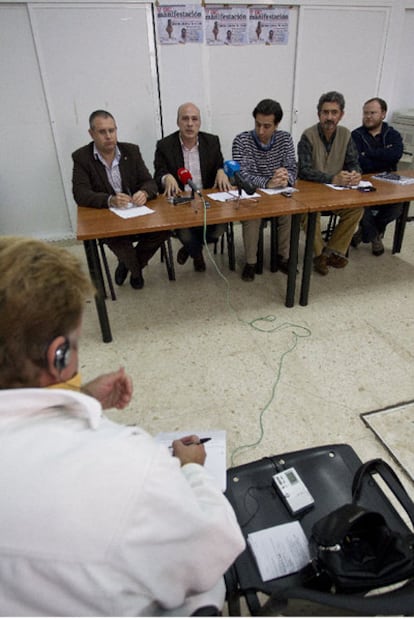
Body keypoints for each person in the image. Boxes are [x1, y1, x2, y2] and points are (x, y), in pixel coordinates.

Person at [0, 236, 245, 616]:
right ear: (59, 356)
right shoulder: (125, 463)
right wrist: (192, 469)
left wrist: (80, 395)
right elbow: (215, 546)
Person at [72, 110, 168, 290]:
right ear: (91, 134)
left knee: (163, 229)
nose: (108, 136)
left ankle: (128, 264)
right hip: (108, 216)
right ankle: (137, 272)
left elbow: (149, 181)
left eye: (112, 130)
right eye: (102, 132)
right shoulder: (82, 157)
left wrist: (144, 193)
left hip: (136, 212)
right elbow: (80, 193)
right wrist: (109, 200)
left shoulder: (130, 150)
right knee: (116, 237)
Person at [154, 102, 232, 272]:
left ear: (200, 123)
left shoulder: (212, 141)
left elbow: (219, 164)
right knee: (184, 231)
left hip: (207, 200)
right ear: (178, 122)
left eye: (194, 119)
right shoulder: (164, 146)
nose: (190, 124)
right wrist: (165, 177)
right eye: (185, 119)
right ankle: (197, 254)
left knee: (220, 228)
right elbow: (158, 173)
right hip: (181, 203)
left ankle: (189, 248)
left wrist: (221, 170)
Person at [297, 91, 363, 276]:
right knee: (309, 214)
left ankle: (331, 251)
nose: (329, 117)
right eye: (325, 112)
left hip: (337, 193)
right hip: (311, 193)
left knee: (357, 209)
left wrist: (356, 174)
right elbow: (304, 170)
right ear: (319, 114)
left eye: (334, 112)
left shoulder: (346, 134)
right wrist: (332, 178)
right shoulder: (307, 136)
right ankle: (319, 255)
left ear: (341, 115)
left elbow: (354, 162)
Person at [232, 98, 297, 281]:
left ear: (277, 125)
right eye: (258, 124)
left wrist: (286, 178)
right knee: (252, 215)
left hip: (279, 193)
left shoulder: (285, 139)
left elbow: (293, 168)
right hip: (253, 194)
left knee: (290, 212)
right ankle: (251, 262)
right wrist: (267, 182)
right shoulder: (242, 140)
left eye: (267, 126)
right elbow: (242, 175)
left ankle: (283, 257)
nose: (261, 130)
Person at [351, 97, 404, 256]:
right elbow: (360, 161)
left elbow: (395, 155)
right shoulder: (356, 135)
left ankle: (364, 232)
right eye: (365, 113)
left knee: (397, 207)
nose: (368, 116)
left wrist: (369, 154)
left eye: (373, 113)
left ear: (383, 114)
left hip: (389, 183)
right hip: (362, 182)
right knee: (361, 207)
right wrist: (382, 156)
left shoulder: (392, 134)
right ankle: (375, 237)